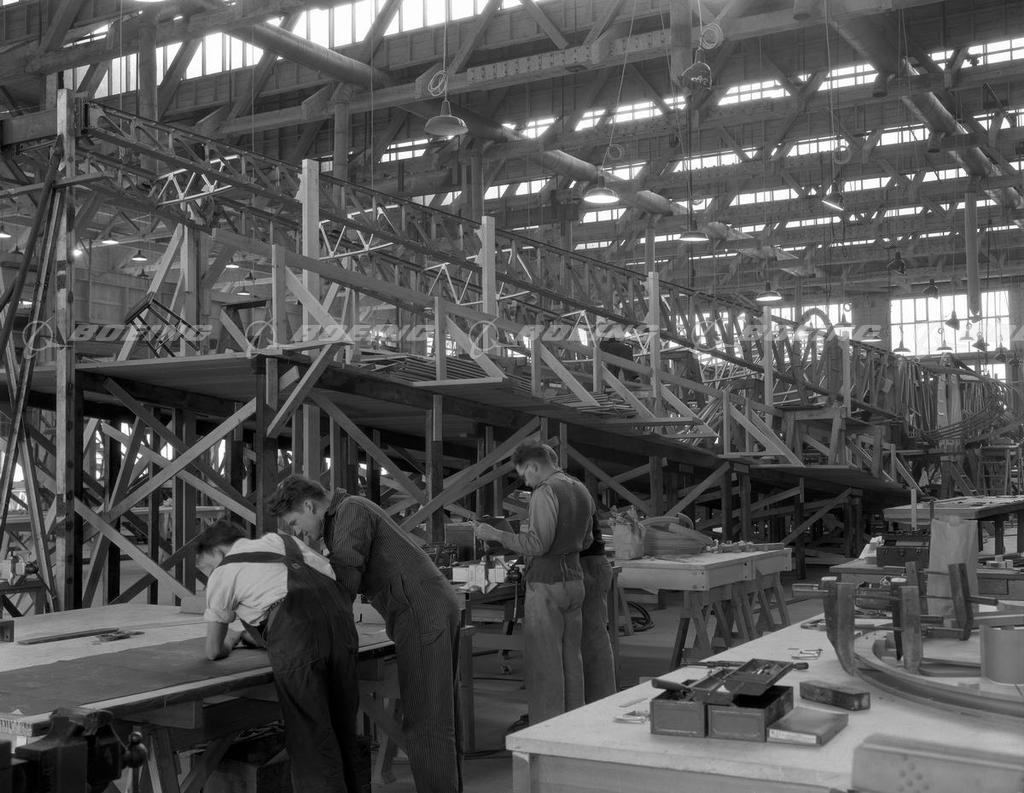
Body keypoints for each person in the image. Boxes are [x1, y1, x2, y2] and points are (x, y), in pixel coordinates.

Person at [268, 474, 463, 793]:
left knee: (427, 723)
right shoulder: (344, 515)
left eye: (294, 523)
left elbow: (343, 585)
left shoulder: (350, 512)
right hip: (424, 609)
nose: (297, 532)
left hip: (422, 613)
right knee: (438, 718)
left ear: (309, 506)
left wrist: (294, 614)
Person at [196, 518, 360, 793]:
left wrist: (233, 638)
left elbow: (212, 650)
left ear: (217, 551)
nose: (208, 576)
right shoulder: (283, 541)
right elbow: (319, 587)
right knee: (344, 732)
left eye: (206, 568)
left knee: (312, 740)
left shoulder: (223, 571)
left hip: (299, 638)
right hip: (342, 626)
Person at [473, 442, 595, 725]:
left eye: (524, 475)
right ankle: (574, 726)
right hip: (574, 580)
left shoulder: (545, 491)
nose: (526, 482)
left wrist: (496, 535)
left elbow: (538, 545)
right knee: (571, 659)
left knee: (545, 663)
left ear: (532, 466)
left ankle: (546, 728)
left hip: (546, 583)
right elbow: (588, 540)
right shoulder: (580, 488)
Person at [579, 512, 617, 702]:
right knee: (590, 640)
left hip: (588, 565)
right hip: (588, 564)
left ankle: (600, 705)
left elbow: (583, 540)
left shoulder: (570, 495)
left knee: (593, 641)